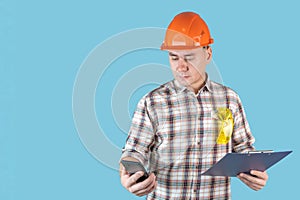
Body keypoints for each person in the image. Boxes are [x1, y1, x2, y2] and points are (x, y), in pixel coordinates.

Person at [119, 11, 268, 199]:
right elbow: (134, 151)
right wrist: (128, 171)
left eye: (189, 57)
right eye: (174, 58)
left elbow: (243, 148)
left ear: (208, 54)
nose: (181, 66)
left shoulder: (230, 100)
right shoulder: (152, 102)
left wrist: (255, 171)